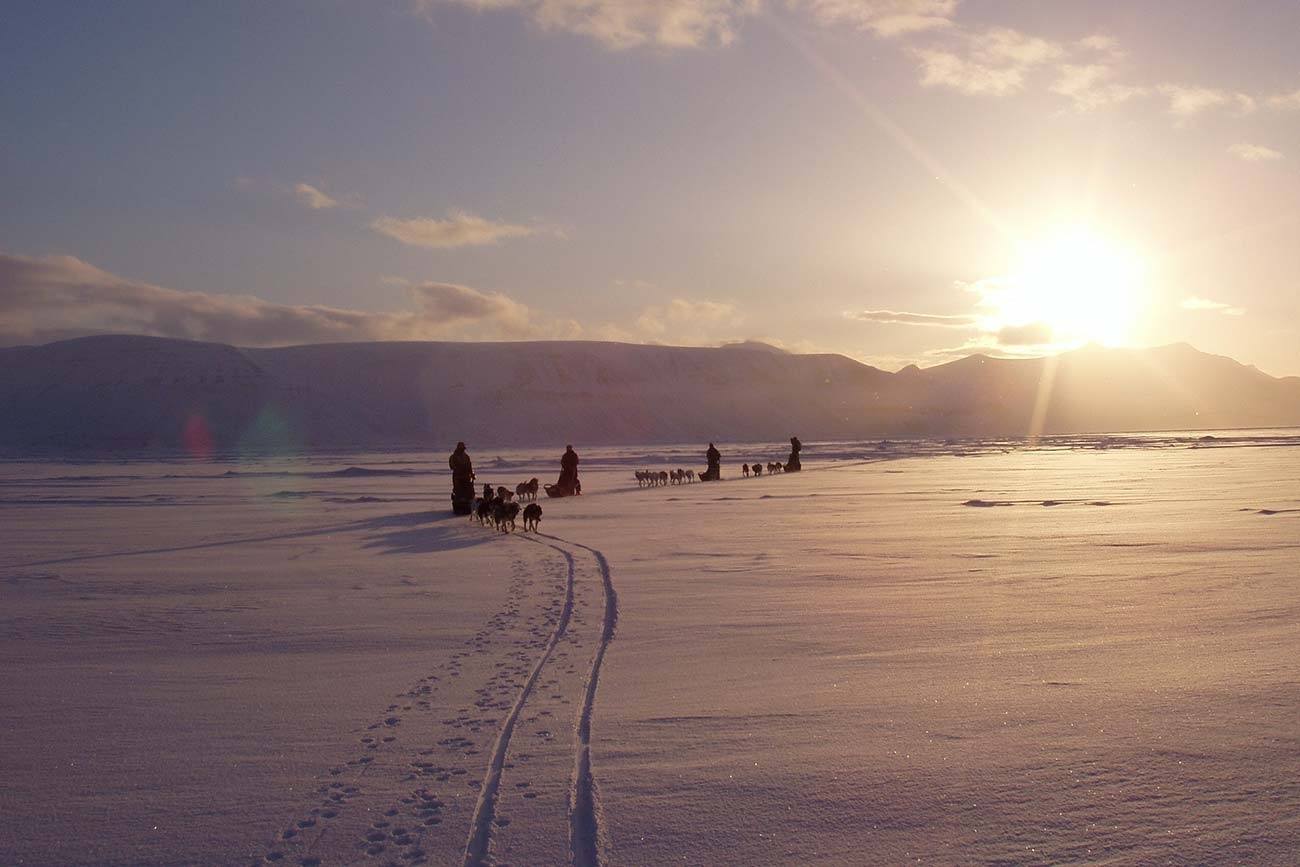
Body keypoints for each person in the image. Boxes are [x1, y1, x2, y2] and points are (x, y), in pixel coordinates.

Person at [449, 441, 475, 514]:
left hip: (466, 477)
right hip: (457, 476)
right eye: (461, 448)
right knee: (458, 491)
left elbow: (470, 466)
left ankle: (469, 503)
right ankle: (458, 504)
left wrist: (471, 474)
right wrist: (459, 469)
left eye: (463, 448)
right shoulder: (453, 457)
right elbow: (452, 466)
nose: (462, 449)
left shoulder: (466, 457)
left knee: (469, 491)